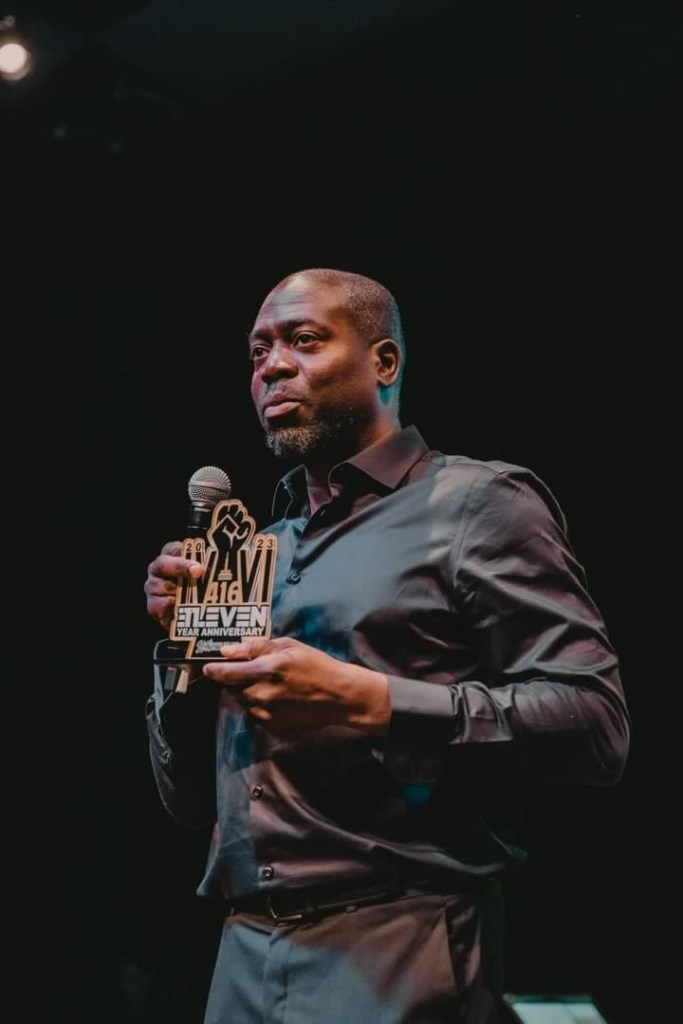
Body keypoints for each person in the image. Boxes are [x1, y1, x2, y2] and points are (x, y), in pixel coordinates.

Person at [144, 268, 629, 1024]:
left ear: (384, 362)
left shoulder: (475, 505)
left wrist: (369, 701)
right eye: (258, 351)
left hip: (397, 937)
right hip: (242, 948)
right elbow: (188, 802)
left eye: (304, 340)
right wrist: (182, 656)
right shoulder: (258, 551)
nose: (272, 366)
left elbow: (594, 725)